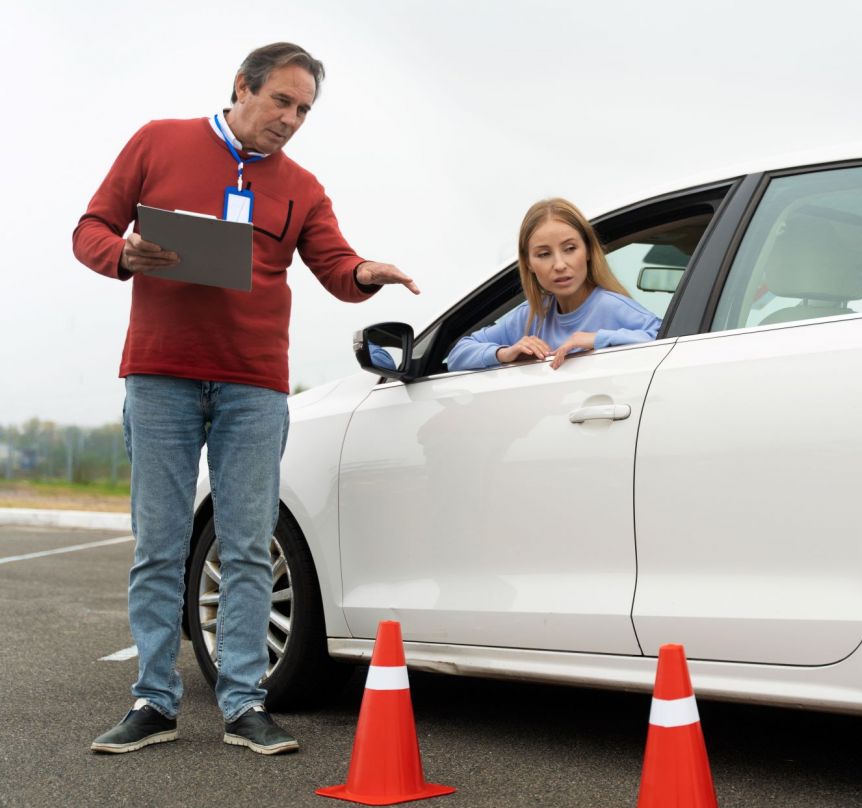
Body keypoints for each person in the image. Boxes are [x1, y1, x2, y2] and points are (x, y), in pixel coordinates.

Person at [73, 42, 419, 756]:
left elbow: (334, 264)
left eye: (304, 111)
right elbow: (90, 230)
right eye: (282, 102)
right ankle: (153, 701)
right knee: (161, 545)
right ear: (242, 88)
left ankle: (243, 704)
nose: (291, 119)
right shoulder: (158, 141)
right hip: (161, 376)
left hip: (253, 386)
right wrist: (124, 254)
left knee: (248, 547)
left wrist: (366, 272)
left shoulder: (302, 185)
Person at [447, 198, 661, 371]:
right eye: (544, 254)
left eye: (569, 248)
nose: (559, 265)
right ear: (529, 263)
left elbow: (668, 338)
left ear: (587, 251)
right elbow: (457, 354)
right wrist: (505, 353)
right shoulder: (530, 316)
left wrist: (596, 339)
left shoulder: (612, 306)